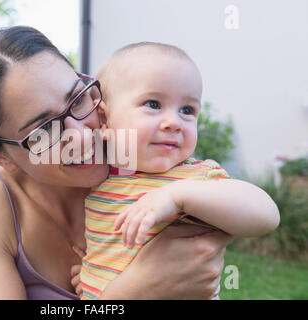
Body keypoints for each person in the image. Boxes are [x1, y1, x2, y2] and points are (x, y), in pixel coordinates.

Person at [0, 26, 233, 300]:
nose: (83, 137)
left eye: (78, 99)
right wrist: (132, 293)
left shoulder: (148, 167)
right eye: (45, 130)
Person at [77, 42, 280, 300]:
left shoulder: (195, 177)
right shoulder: (99, 179)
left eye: (187, 110)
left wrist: (177, 196)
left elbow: (266, 216)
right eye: (153, 104)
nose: (173, 122)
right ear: (105, 120)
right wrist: (91, 272)